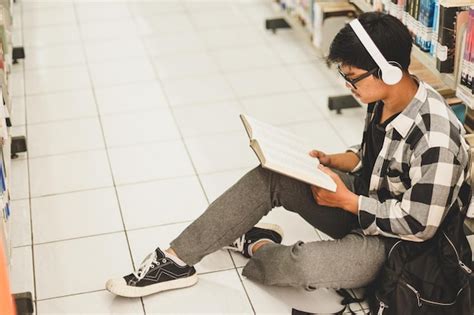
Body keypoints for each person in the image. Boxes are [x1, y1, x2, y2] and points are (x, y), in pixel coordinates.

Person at [105, 12, 471, 299]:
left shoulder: (436, 134)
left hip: (399, 246)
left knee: (303, 265)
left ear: (389, 71)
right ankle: (175, 260)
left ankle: (257, 243)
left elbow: (421, 225)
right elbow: (379, 159)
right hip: (367, 200)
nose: (348, 86)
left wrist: (349, 203)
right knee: (272, 175)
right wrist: (338, 160)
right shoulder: (385, 98)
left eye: (353, 78)